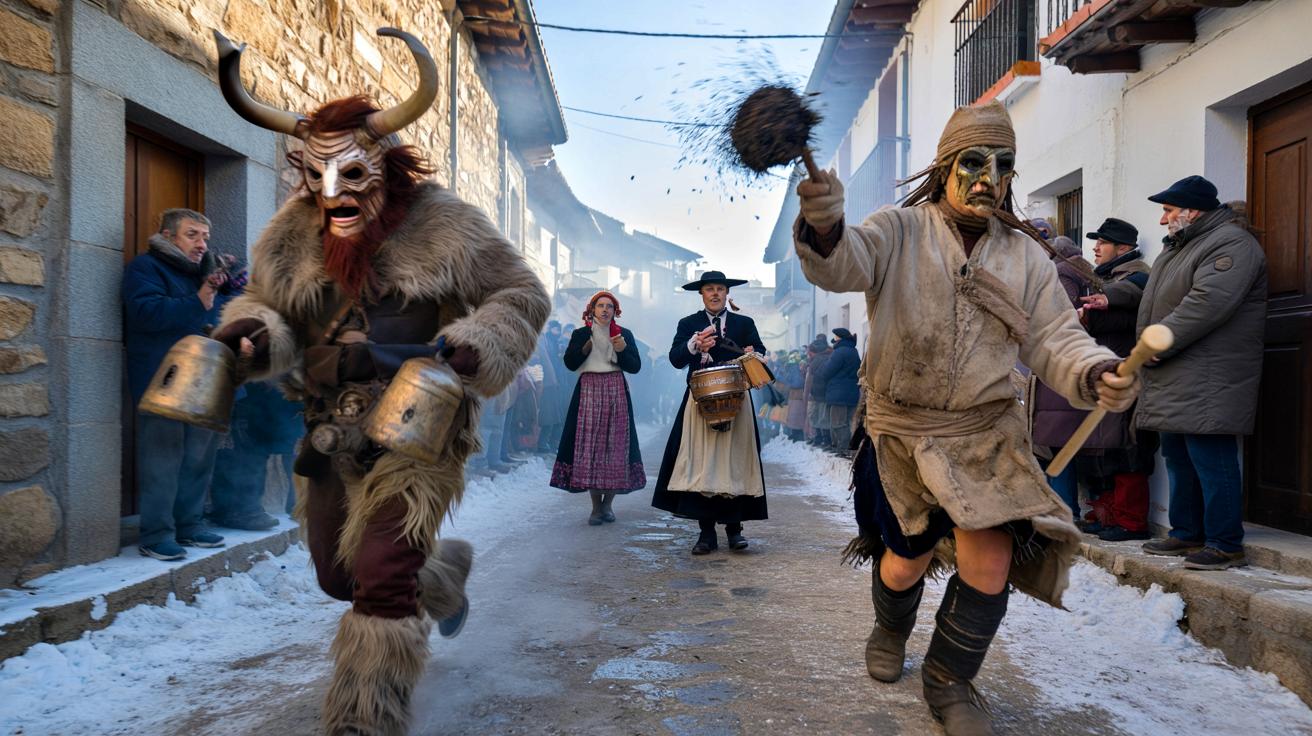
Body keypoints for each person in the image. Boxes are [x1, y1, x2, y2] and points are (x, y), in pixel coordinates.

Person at [207, 29, 550, 736]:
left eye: (351, 173)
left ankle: (366, 719)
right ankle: (443, 576)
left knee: (383, 577)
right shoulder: (287, 236)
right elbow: (267, 306)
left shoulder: (447, 225)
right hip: (328, 427)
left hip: (419, 425)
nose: (332, 194)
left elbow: (519, 295)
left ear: (384, 166)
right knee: (342, 577)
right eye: (314, 174)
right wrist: (250, 332)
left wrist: (474, 342)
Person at [794, 101, 1138, 735]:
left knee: (989, 561)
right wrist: (824, 225)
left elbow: (1056, 338)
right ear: (946, 165)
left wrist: (1094, 372)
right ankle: (890, 626)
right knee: (906, 560)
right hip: (900, 433)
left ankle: (951, 679)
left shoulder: (1028, 258)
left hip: (983, 432)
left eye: (1001, 165)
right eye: (974, 162)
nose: (988, 176)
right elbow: (844, 264)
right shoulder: (896, 230)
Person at [1137, 179, 1267, 571]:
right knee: (1177, 454)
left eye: (1168, 211)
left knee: (1211, 454)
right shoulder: (1180, 248)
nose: (1163, 220)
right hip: (1179, 369)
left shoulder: (1232, 244)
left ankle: (1226, 543)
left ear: (1191, 211)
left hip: (1209, 372)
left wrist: (1158, 343)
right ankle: (1187, 532)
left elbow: (1206, 303)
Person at [123, 208, 237, 561]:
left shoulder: (208, 275)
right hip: (163, 381)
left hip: (203, 382)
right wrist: (198, 300)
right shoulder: (146, 268)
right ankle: (156, 534)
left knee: (199, 457)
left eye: (205, 236)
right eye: (192, 235)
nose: (202, 243)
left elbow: (222, 316)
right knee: (163, 459)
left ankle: (190, 524)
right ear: (169, 236)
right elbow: (145, 313)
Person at [652, 270, 768, 555]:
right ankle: (706, 533)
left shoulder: (744, 323)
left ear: (727, 294)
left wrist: (753, 352)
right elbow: (675, 358)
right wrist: (694, 345)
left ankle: (735, 530)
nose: (715, 293)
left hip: (736, 400)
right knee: (702, 464)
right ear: (701, 294)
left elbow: (761, 352)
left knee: (734, 462)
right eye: (709, 289)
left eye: (720, 289)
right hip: (700, 402)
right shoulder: (688, 323)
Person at [1075, 217, 1157, 542]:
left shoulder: (1138, 275)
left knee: (1129, 451)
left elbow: (1128, 293)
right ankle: (1106, 512)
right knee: (1102, 452)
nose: (1095, 248)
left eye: (1102, 243)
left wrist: (1097, 308)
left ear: (1123, 248)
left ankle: (1131, 521)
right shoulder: (1102, 279)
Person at [551, 291, 646, 523]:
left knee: (615, 447)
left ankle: (608, 506)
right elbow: (569, 363)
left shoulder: (624, 335)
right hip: (589, 389)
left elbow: (635, 367)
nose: (605, 310)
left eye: (609, 307)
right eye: (600, 306)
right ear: (592, 309)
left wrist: (622, 349)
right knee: (590, 448)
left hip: (615, 388)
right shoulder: (581, 333)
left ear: (615, 312)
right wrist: (583, 349)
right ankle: (595, 507)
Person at [1029, 236, 1093, 520]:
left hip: (1059, 373)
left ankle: (1063, 511)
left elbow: (1057, 317)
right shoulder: (1072, 271)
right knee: (1054, 445)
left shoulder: (1062, 272)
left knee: (1056, 446)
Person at [821, 328, 860, 454]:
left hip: (839, 393)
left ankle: (843, 448)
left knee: (838, 422)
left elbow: (828, 370)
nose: (834, 340)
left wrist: (821, 372)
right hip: (852, 392)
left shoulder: (839, 352)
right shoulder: (854, 351)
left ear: (840, 338)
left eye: (836, 337)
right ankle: (845, 447)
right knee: (848, 422)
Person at [805, 336, 832, 446]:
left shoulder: (820, 359)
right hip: (818, 392)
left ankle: (824, 439)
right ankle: (819, 438)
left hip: (821, 392)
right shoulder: (821, 358)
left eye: (810, 351)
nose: (808, 354)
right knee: (817, 416)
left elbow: (815, 375)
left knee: (822, 417)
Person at [781, 351, 807, 441]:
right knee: (793, 415)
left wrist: (789, 381)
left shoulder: (795, 368)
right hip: (793, 394)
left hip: (797, 394)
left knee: (797, 415)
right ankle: (795, 433)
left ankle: (798, 434)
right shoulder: (792, 368)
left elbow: (798, 383)